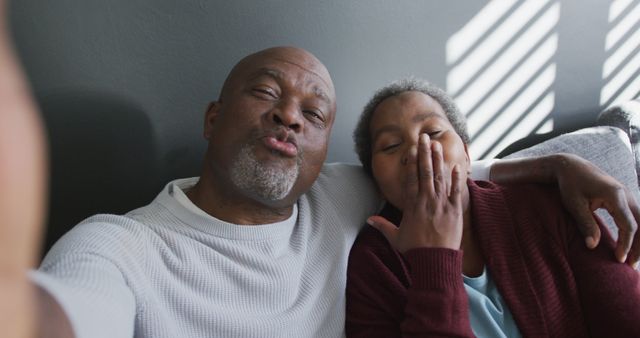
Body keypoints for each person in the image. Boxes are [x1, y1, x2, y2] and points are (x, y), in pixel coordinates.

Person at [1, 4, 639, 336]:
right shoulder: (118, 245)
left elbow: (446, 174)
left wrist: (559, 164)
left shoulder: (336, 195)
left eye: (314, 112)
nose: (290, 119)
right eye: (266, 94)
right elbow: (73, 309)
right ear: (212, 118)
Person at [346, 78, 640, 337]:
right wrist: (433, 260)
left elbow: (625, 315)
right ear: (374, 178)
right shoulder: (372, 266)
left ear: (466, 151)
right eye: (390, 146)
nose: (417, 150)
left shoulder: (545, 205)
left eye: (433, 132)